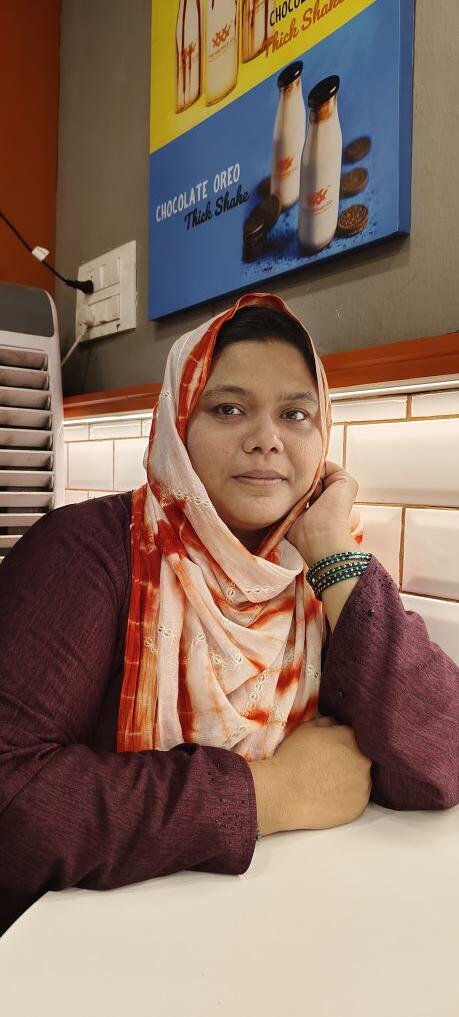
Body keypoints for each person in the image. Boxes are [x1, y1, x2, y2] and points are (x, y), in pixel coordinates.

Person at [0, 292, 457, 938]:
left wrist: (332, 554)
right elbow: (15, 801)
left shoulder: (319, 572)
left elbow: (438, 759)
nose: (266, 439)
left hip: (285, 934)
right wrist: (270, 793)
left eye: (295, 414)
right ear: (178, 424)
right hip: (103, 948)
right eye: (228, 408)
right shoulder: (86, 552)